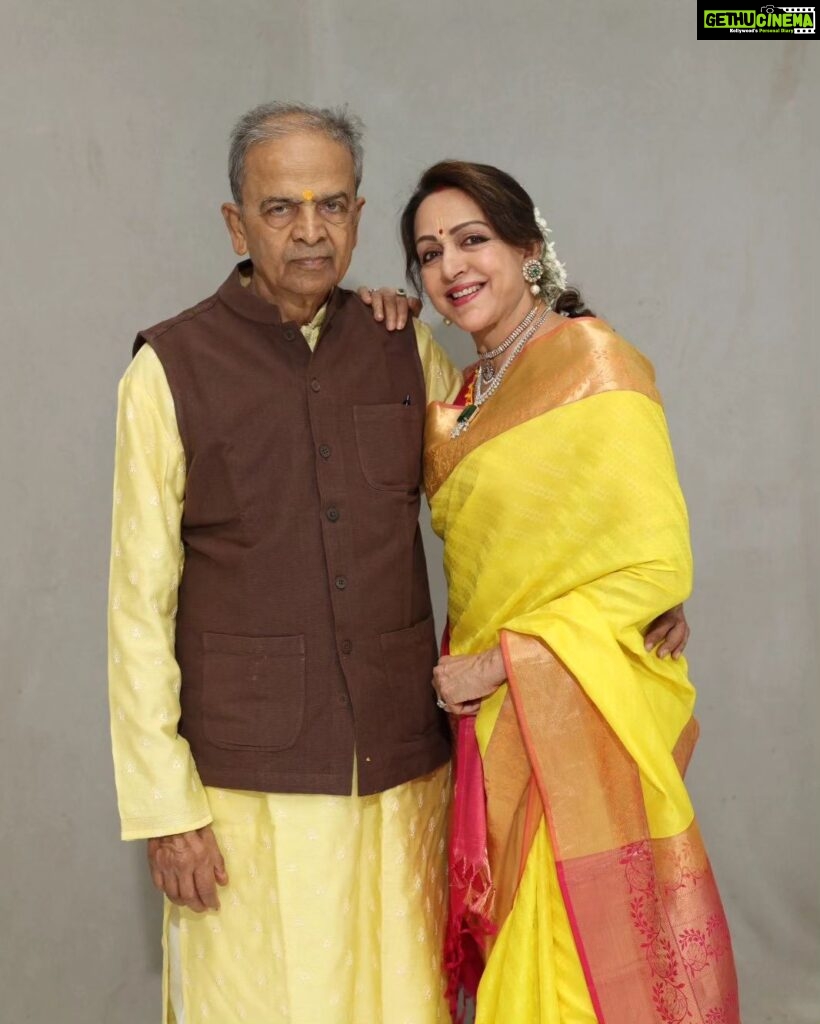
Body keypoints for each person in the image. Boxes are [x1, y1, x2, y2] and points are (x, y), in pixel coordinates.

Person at [108, 101, 688, 1023]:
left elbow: (505, 492)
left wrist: (621, 597)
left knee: (404, 1001)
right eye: (281, 208)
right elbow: (135, 608)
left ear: (360, 216)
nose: (310, 232)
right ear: (236, 222)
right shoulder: (169, 368)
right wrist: (166, 808)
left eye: (333, 207)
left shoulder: (400, 343)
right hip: (249, 786)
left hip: (407, 774)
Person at [399, 161, 739, 1024]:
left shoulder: (595, 362)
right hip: (489, 727)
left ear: (529, 247)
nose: (451, 268)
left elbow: (653, 567)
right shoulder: (459, 403)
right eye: (428, 253)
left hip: (567, 715)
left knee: (563, 971)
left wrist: (505, 667)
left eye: (473, 240)